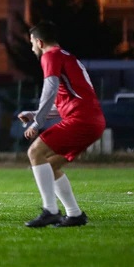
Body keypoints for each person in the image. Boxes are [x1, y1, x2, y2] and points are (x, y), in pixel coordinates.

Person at [19, 21, 105, 228]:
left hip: (81, 120)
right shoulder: (67, 57)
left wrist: (38, 123)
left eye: (32, 43)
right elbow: (67, 103)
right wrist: (34, 114)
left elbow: (50, 87)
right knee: (50, 165)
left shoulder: (50, 56)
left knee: (35, 152)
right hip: (92, 120)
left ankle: (50, 211)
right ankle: (75, 214)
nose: (32, 48)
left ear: (40, 42)